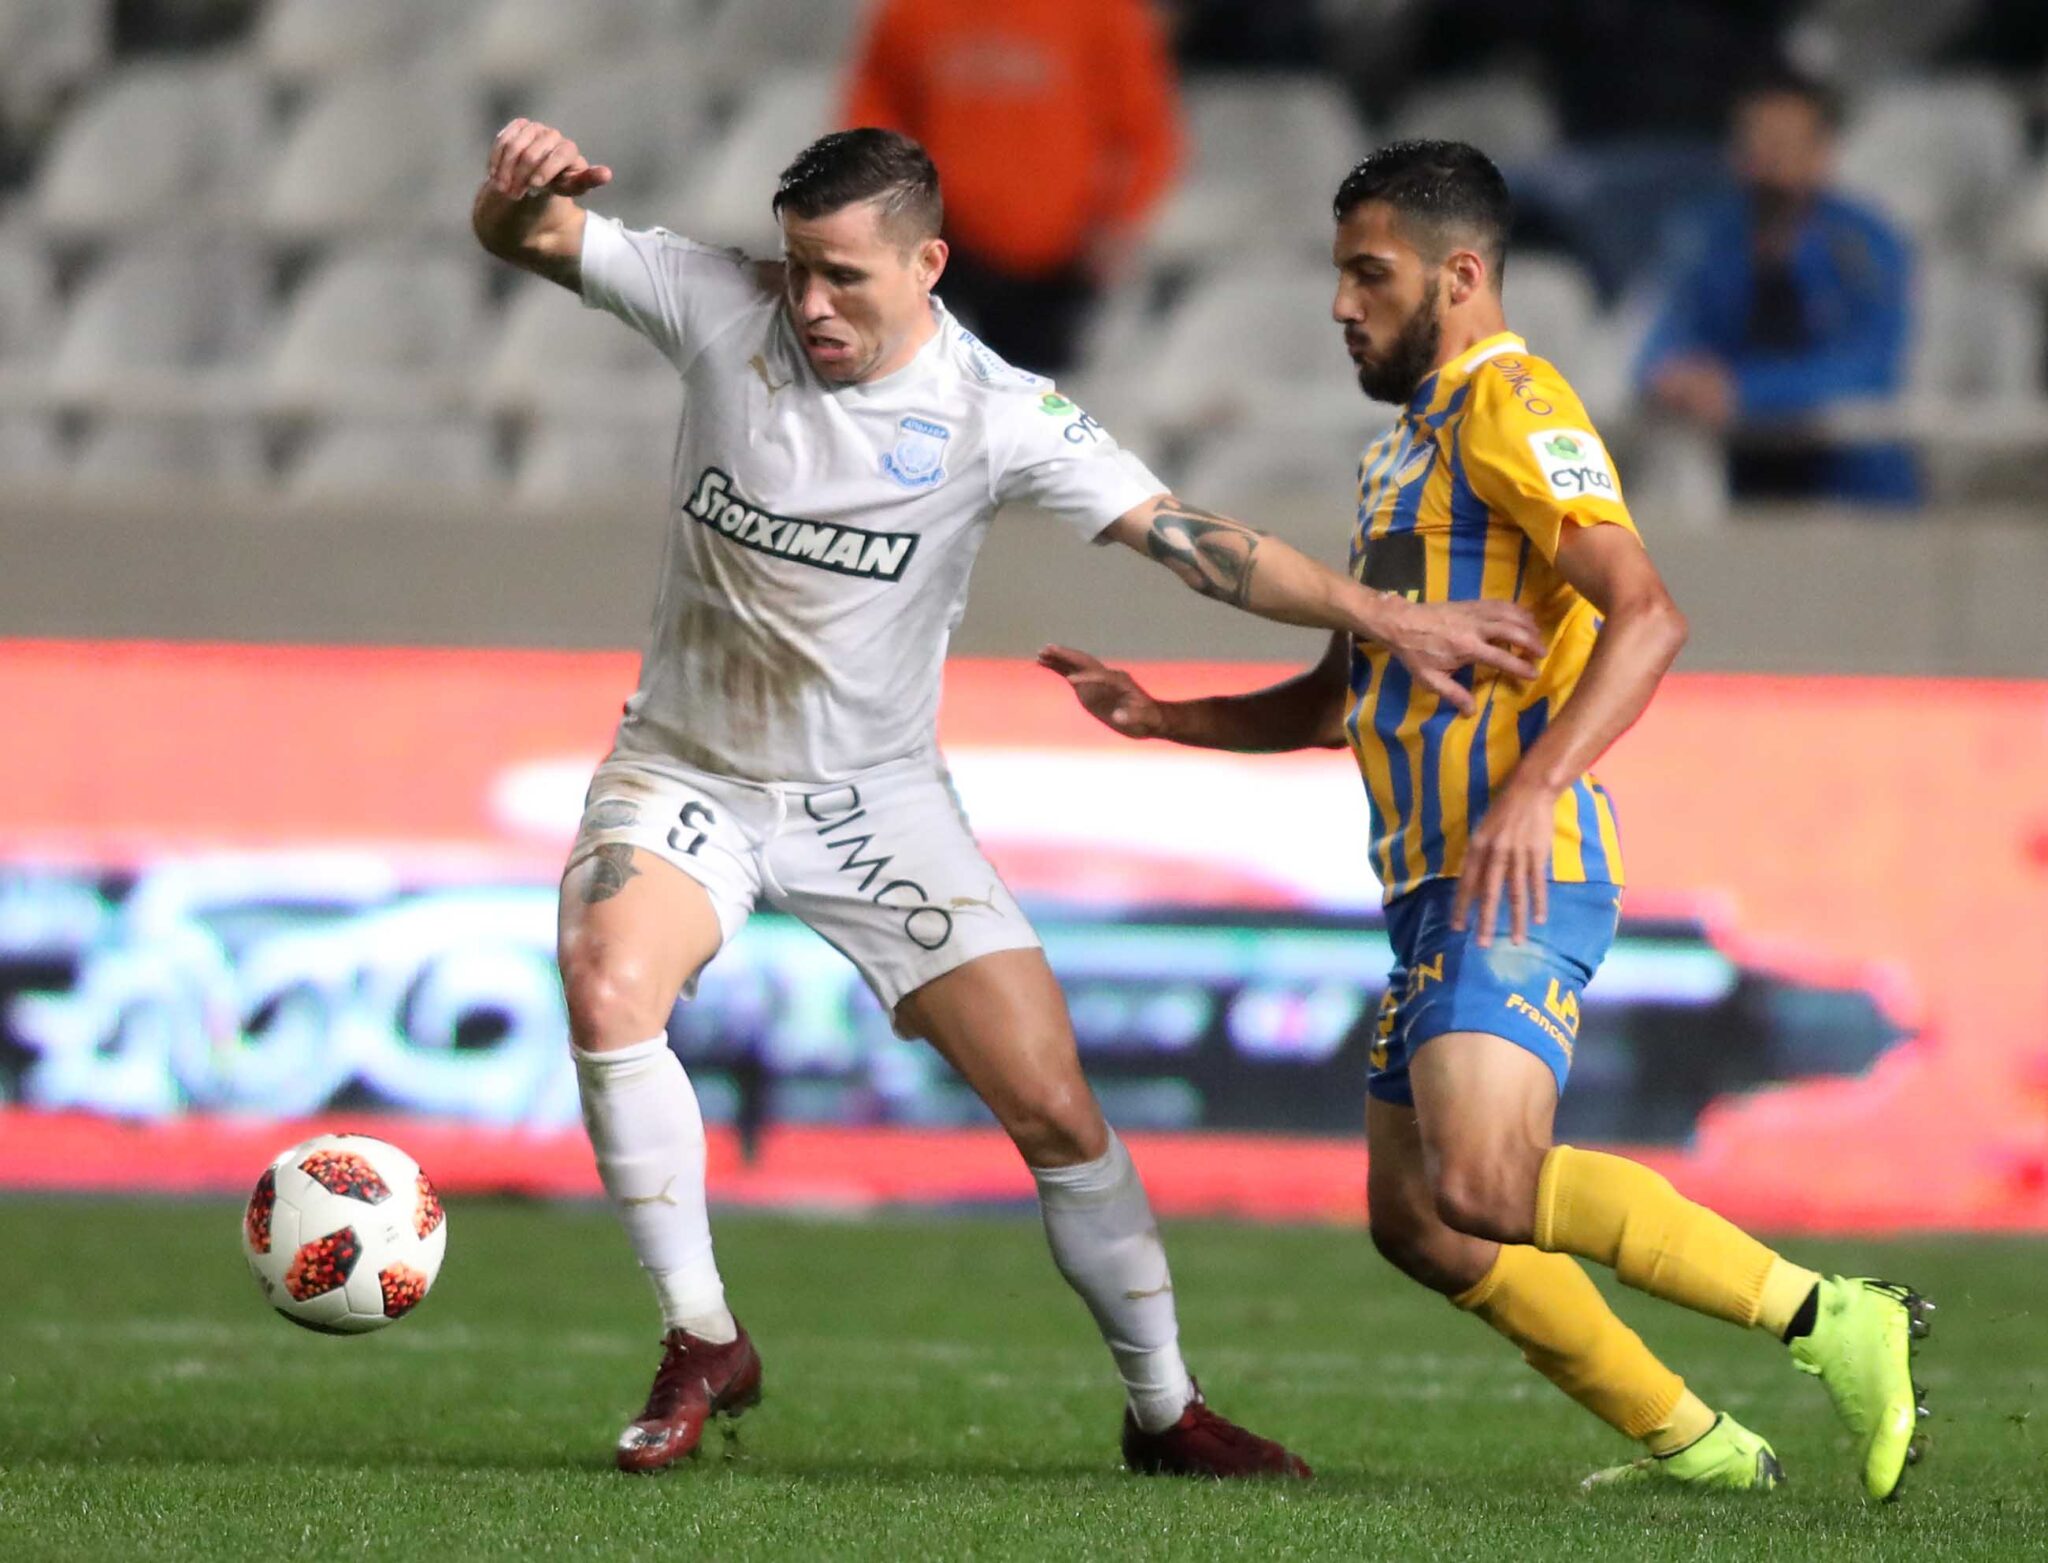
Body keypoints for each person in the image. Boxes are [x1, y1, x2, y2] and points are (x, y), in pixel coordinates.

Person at [471, 121, 1544, 1478]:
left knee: (1056, 1113)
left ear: (927, 264)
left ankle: (1166, 1410)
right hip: (689, 771)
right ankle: (701, 1335)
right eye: (799, 267)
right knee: (606, 981)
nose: (811, 302)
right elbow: (531, 237)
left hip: (875, 807)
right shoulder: (718, 302)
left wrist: (1384, 616)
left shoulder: (995, 411)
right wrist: (513, 193)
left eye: (845, 276)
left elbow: (1193, 542)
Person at [1043, 139, 1933, 1499]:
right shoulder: (1398, 453)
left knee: (1484, 1179)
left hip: (1515, 865)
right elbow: (1341, 698)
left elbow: (1649, 615)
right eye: (1338, 274)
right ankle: (1697, 1448)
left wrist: (1533, 788)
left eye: (1369, 275)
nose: (1340, 304)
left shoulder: (1511, 404)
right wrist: (1170, 718)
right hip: (1431, 883)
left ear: (1459, 275)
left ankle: (1835, 1317)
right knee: (1424, 1222)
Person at [841, 0, 1180, 375]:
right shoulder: (913, 12)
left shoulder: (1102, 13)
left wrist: (1121, 223)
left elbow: (1149, 134)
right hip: (944, 254)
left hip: (1061, 269)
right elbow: (872, 115)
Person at [1637, 69, 1919, 507]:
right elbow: (1663, 332)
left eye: (1785, 144)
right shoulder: (1705, 238)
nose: (1768, 159)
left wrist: (1745, 390)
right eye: (1756, 141)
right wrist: (1673, 375)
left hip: (1846, 477)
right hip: (1732, 464)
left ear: (1821, 153)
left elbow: (1870, 367)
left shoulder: (1866, 245)